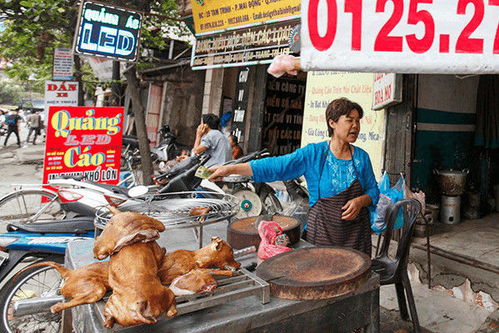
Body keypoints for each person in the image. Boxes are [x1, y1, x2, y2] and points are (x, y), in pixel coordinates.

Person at [209, 98, 379, 256]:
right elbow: (277, 166)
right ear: (332, 122)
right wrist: (230, 169)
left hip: (356, 237)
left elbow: (373, 191)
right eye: (350, 120)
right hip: (322, 234)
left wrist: (360, 201)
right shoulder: (314, 154)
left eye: (358, 121)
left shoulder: (361, 157)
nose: (356, 126)